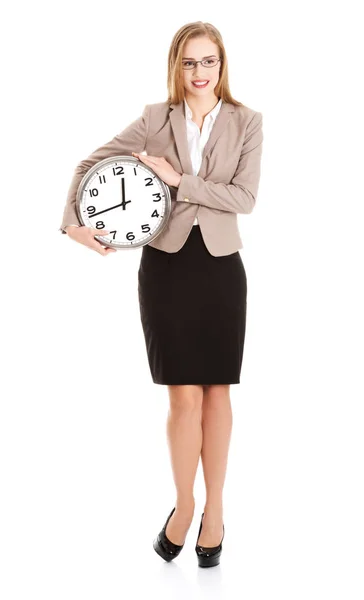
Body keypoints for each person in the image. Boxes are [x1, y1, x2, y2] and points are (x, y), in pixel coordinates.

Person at [59, 21, 263, 568]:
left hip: (221, 268)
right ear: (177, 67)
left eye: (209, 62)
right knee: (182, 396)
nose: (200, 73)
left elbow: (244, 198)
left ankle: (214, 513)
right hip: (166, 268)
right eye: (190, 63)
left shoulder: (247, 122)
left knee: (219, 391)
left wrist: (178, 181)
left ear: (223, 65)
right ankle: (183, 505)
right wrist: (73, 223)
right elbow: (88, 166)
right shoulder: (155, 119)